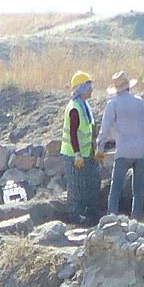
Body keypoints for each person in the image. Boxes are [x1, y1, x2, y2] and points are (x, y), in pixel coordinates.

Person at [100, 73, 144, 218]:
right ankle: (136, 221)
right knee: (138, 190)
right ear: (128, 86)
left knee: (116, 188)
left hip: (124, 150)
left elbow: (105, 128)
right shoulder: (140, 101)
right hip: (141, 149)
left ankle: (111, 220)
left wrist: (100, 147)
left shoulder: (113, 104)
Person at [60, 72, 103, 223]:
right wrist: (77, 154)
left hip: (87, 153)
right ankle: (74, 216)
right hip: (73, 154)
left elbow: (89, 130)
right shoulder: (74, 108)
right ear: (82, 88)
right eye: (88, 87)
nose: (91, 90)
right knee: (75, 186)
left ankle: (91, 213)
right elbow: (73, 133)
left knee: (92, 182)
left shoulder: (85, 105)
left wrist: (95, 150)